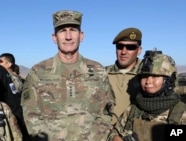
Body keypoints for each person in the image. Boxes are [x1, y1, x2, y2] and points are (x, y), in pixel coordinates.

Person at [21, 10, 115, 141]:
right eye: (62, 31)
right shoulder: (38, 71)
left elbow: (107, 112)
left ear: (81, 36)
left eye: (73, 30)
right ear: (54, 38)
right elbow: (31, 115)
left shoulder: (97, 70)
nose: (68, 36)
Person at [108, 50, 186, 141]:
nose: (148, 81)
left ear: (168, 81)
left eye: (155, 76)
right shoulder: (134, 109)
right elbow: (114, 133)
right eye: (144, 76)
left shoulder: (181, 113)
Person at [106, 27, 143, 124]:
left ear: (139, 50)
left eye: (130, 47)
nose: (123, 52)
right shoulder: (103, 74)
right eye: (120, 46)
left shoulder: (147, 76)